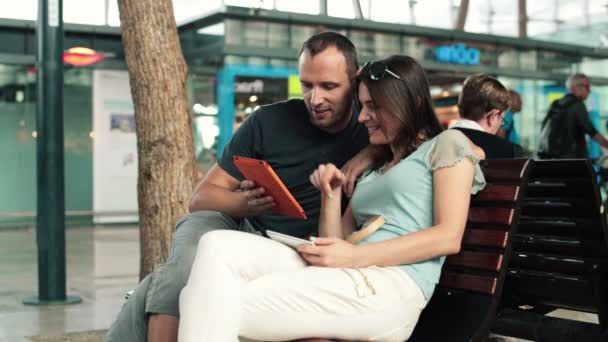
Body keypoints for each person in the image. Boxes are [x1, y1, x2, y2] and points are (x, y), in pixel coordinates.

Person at [178, 55, 486, 342]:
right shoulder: (375, 166)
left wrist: (355, 258)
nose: (364, 116)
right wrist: (331, 193)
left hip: (389, 288)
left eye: (374, 106)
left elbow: (448, 237)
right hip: (345, 275)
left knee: (212, 300)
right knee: (216, 245)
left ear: (412, 103)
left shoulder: (447, 144)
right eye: (363, 105)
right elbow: (334, 241)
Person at [104, 31, 373, 342]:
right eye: (307, 85)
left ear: (356, 80)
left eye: (329, 86)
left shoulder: (371, 129)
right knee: (192, 242)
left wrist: (370, 153)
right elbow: (201, 198)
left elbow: (421, 134)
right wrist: (245, 204)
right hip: (245, 227)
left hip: (304, 250)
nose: (315, 99)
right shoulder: (269, 121)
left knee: (160, 280)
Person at [451, 73, 521, 159]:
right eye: (502, 120)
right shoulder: (504, 150)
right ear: (493, 116)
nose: (500, 124)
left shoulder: (435, 142)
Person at [538, 73, 608, 159]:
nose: (589, 90)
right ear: (575, 87)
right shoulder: (577, 105)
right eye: (587, 86)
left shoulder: (556, 103)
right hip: (572, 159)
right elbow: (591, 131)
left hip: (553, 158)